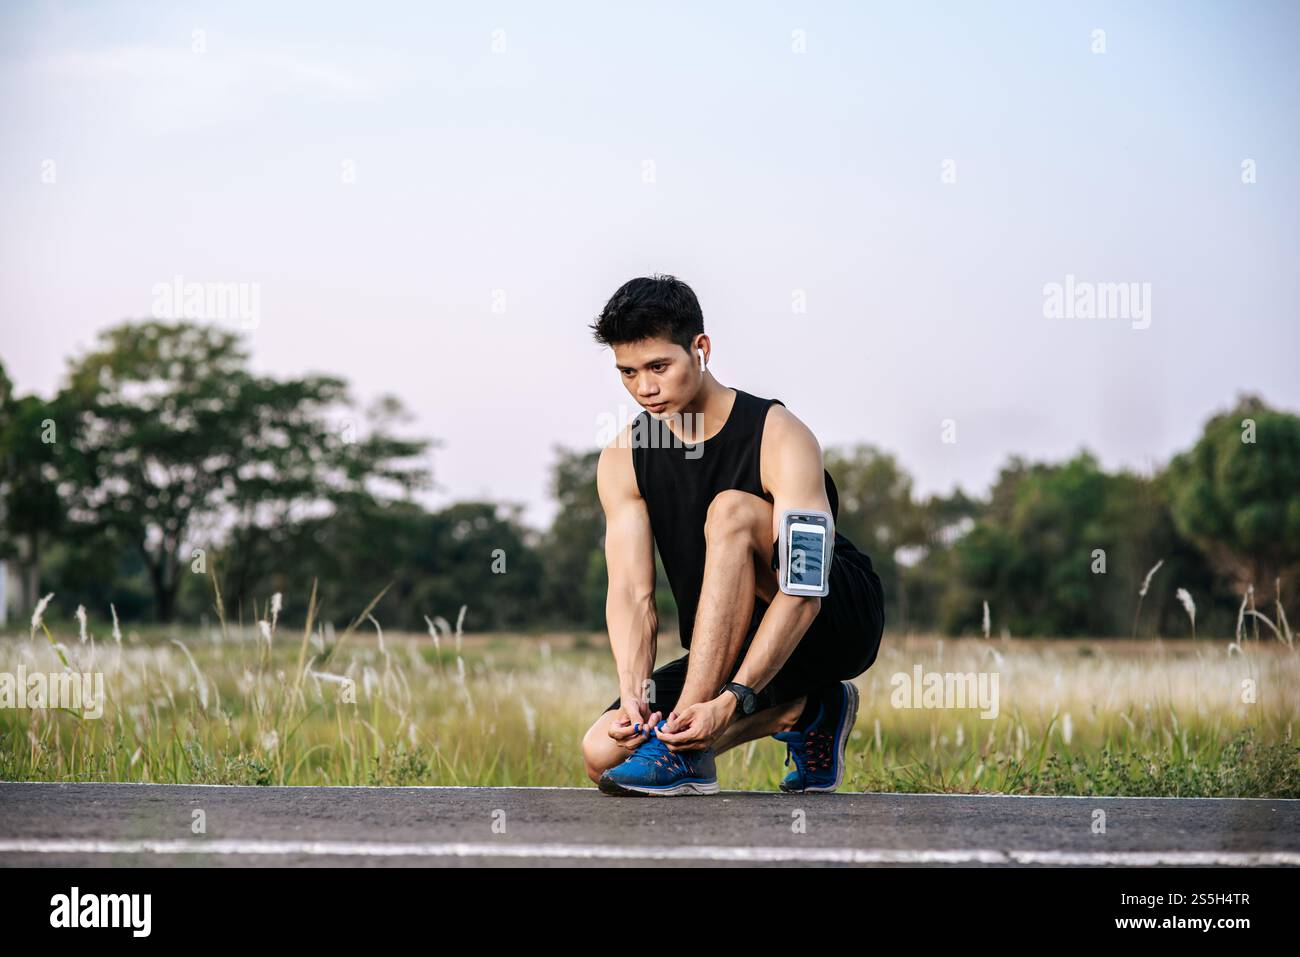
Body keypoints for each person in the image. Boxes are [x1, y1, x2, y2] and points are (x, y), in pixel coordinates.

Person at [581, 274, 885, 796]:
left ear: (700, 349)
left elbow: (804, 589)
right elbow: (632, 594)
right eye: (628, 372)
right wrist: (634, 694)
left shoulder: (779, 434)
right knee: (602, 754)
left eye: (659, 367)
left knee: (732, 511)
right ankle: (808, 710)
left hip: (831, 621)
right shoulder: (623, 457)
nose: (644, 388)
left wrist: (731, 700)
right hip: (731, 639)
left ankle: (685, 755)